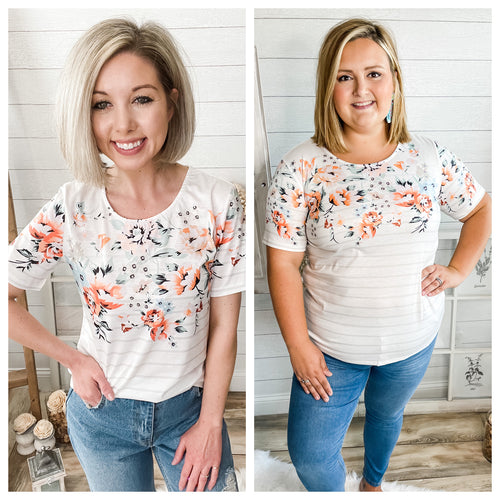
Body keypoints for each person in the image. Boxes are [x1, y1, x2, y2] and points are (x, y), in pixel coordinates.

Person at [8, 18, 245, 492]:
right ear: (85, 114)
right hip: (102, 417)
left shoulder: (218, 202)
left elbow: (224, 327)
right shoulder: (72, 206)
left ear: (171, 103)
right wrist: (71, 359)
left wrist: (211, 423)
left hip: (190, 411)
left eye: (142, 98)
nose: (123, 124)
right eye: (101, 104)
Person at [263, 18, 491, 492]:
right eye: (344, 76)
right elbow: (282, 262)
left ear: (394, 82)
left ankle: (373, 483)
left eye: (374, 73)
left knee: (387, 415)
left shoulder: (428, 156)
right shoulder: (300, 166)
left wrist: (457, 270)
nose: (360, 89)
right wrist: (299, 347)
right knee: (310, 456)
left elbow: (482, 208)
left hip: (413, 339)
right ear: (329, 86)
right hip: (330, 351)